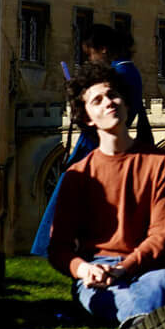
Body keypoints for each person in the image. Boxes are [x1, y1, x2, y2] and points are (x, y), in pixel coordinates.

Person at [47, 61, 165, 329]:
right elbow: (58, 247)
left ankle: (142, 327)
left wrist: (125, 268)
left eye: (112, 95)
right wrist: (84, 270)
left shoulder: (160, 163)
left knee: (163, 280)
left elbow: (159, 236)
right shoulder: (76, 176)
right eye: (97, 100)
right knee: (103, 294)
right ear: (86, 118)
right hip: (96, 271)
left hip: (144, 268)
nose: (109, 103)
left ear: (125, 102)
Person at [32, 24, 152, 258]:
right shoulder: (127, 72)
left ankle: (51, 249)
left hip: (96, 145)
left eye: (91, 54)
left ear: (104, 49)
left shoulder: (119, 74)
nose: (91, 60)